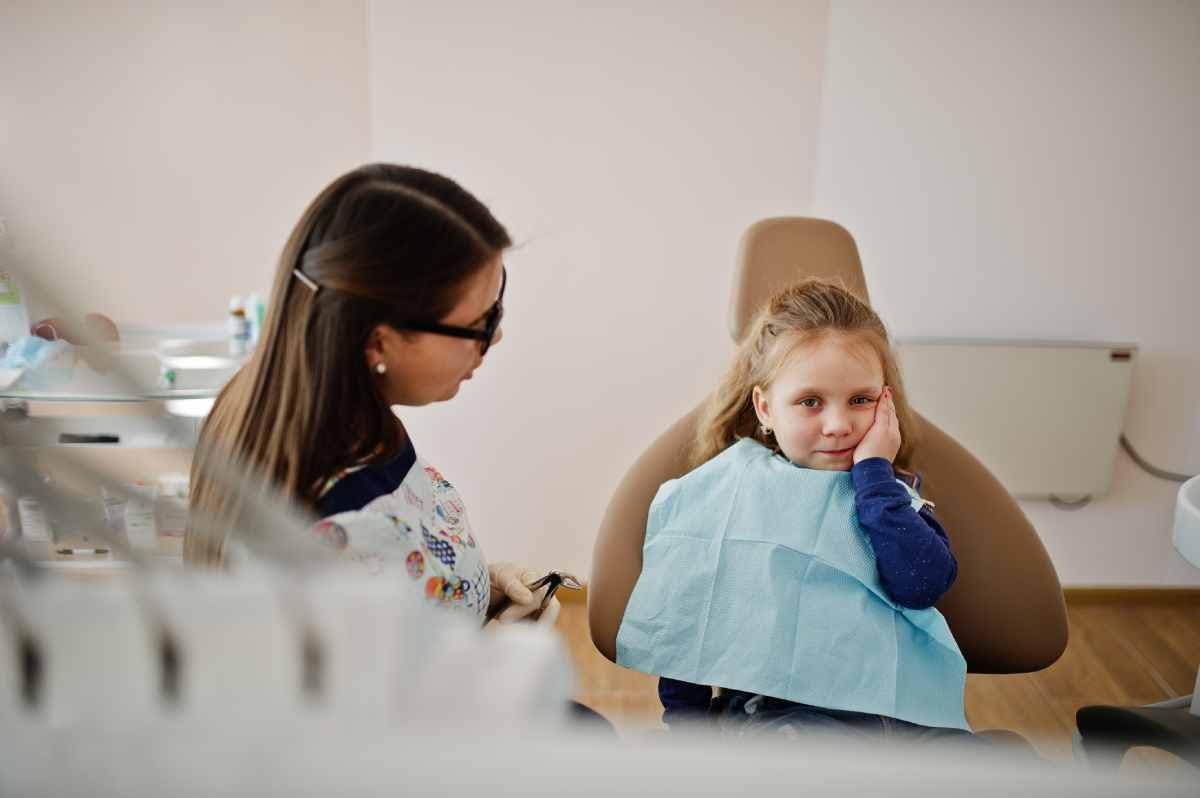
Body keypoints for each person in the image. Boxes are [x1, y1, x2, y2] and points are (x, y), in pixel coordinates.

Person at [185, 163, 555, 625]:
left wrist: (475, 590)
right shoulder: (349, 525)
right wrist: (495, 650)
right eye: (480, 324)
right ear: (380, 342)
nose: (494, 339)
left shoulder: (274, 404)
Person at [621, 278, 976, 744]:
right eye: (810, 402)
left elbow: (922, 585)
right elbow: (690, 623)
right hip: (776, 721)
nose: (838, 425)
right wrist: (691, 736)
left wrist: (873, 474)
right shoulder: (727, 494)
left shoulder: (891, 495)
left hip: (895, 720)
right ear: (765, 408)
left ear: (885, 400)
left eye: (861, 400)